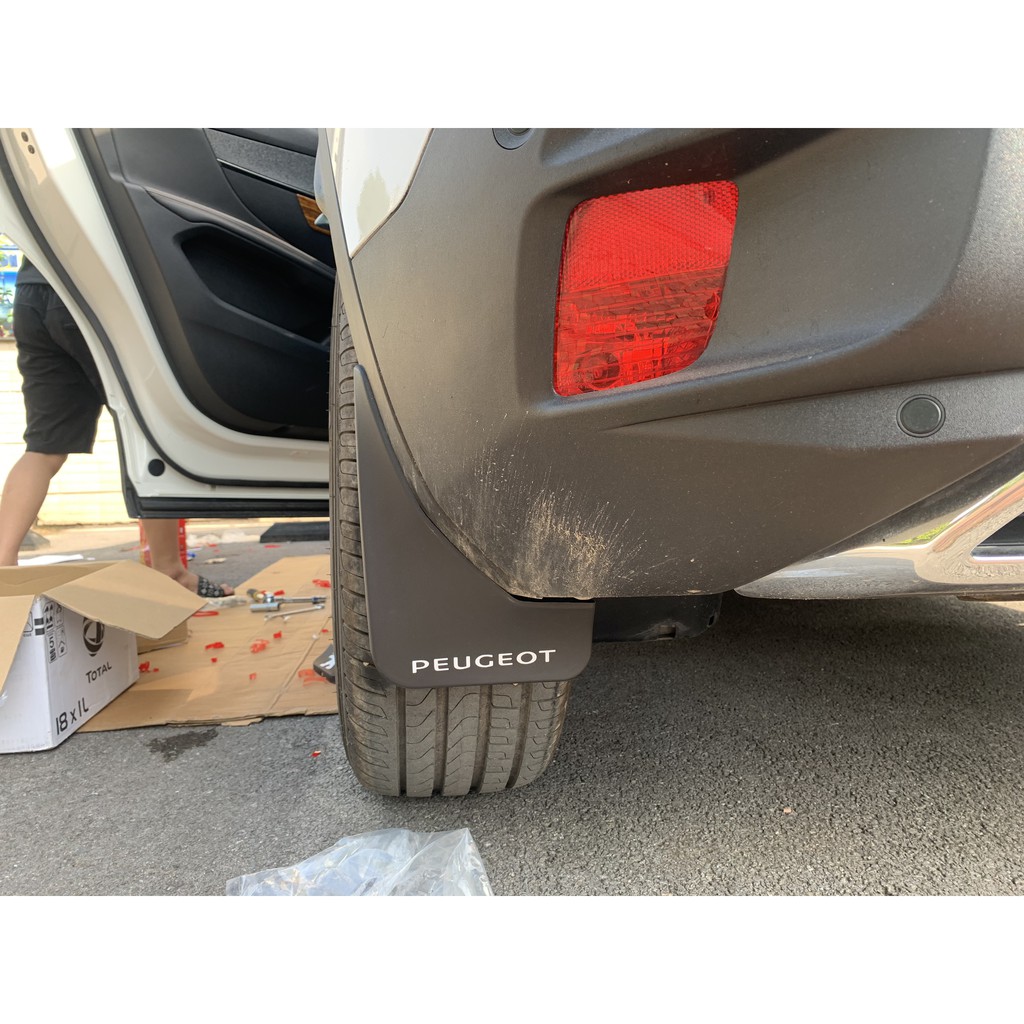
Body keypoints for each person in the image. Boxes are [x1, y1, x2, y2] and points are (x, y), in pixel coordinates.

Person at [0, 255, 233, 597]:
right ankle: (170, 572)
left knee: (44, 448)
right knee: (150, 434)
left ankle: (3, 568)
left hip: (34, 289)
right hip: (94, 287)